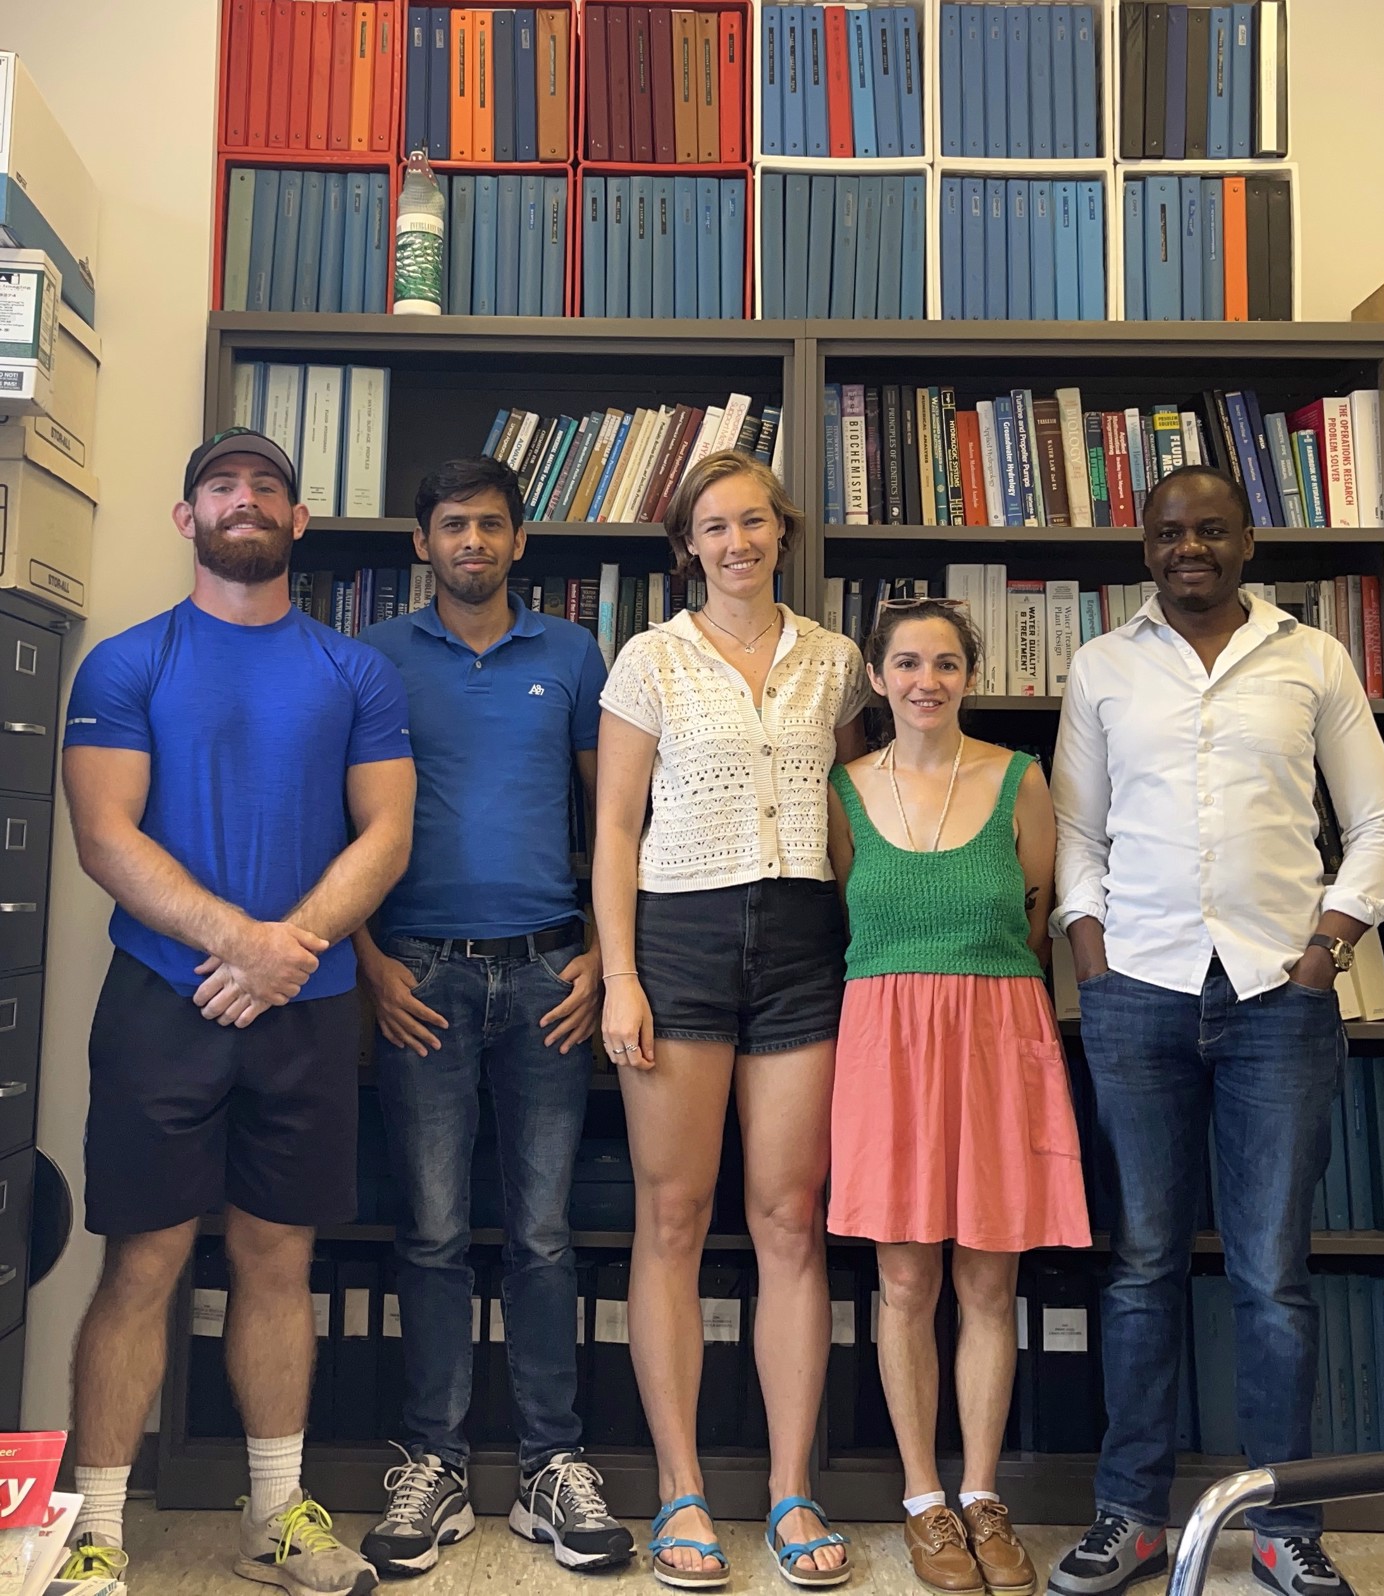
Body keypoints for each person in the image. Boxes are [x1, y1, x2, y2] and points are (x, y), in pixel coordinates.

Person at [59, 428, 415, 1595]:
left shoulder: (355, 671)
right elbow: (105, 835)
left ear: (299, 522)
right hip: (166, 1001)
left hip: (306, 1011)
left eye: (267, 486)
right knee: (142, 1263)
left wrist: (286, 956)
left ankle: (278, 1518)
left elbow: (387, 834)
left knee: (277, 1261)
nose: (245, 499)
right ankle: (97, 1530)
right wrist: (238, 945)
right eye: (222, 484)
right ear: (187, 518)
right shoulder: (126, 663)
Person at [1046, 466, 1384, 1596]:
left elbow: (1380, 822)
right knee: (1143, 1267)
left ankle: (1284, 1526)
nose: (1187, 547)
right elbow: (1075, 834)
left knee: (1270, 1275)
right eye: (1167, 532)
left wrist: (1325, 951)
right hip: (1137, 992)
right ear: (1142, 547)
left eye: (1210, 530)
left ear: (1248, 541)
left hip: (1276, 1000)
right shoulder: (1103, 665)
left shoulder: (1315, 659)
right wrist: (1095, 960)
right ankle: (1130, 1519)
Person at [353, 456, 632, 1578]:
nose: (472, 541)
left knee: (545, 1235)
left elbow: (616, 818)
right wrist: (368, 962)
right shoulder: (371, 657)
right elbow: (341, 824)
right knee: (426, 1233)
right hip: (417, 979)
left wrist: (606, 956)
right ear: (422, 543)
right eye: (452, 523)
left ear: (521, 543)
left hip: (547, 981)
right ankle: (434, 1466)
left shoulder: (570, 655)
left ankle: (551, 1473)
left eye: (492, 526)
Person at [593, 451, 865, 1591]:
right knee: (675, 1215)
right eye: (714, 526)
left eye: (753, 521)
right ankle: (681, 1489)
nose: (737, 541)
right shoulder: (649, 660)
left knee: (790, 1218)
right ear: (687, 546)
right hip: (681, 945)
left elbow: (856, 817)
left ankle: (792, 1488)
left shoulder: (839, 661)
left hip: (806, 946)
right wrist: (619, 976)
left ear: (781, 531)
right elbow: (613, 828)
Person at [827, 598, 1091, 1596]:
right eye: (905, 663)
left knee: (988, 1285)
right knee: (904, 1285)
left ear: (967, 675)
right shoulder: (844, 790)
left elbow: (1030, 919)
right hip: (884, 1045)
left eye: (943, 663)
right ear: (880, 677)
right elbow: (849, 919)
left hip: (997, 1040)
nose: (925, 681)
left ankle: (983, 1494)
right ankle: (922, 1499)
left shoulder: (1021, 781)